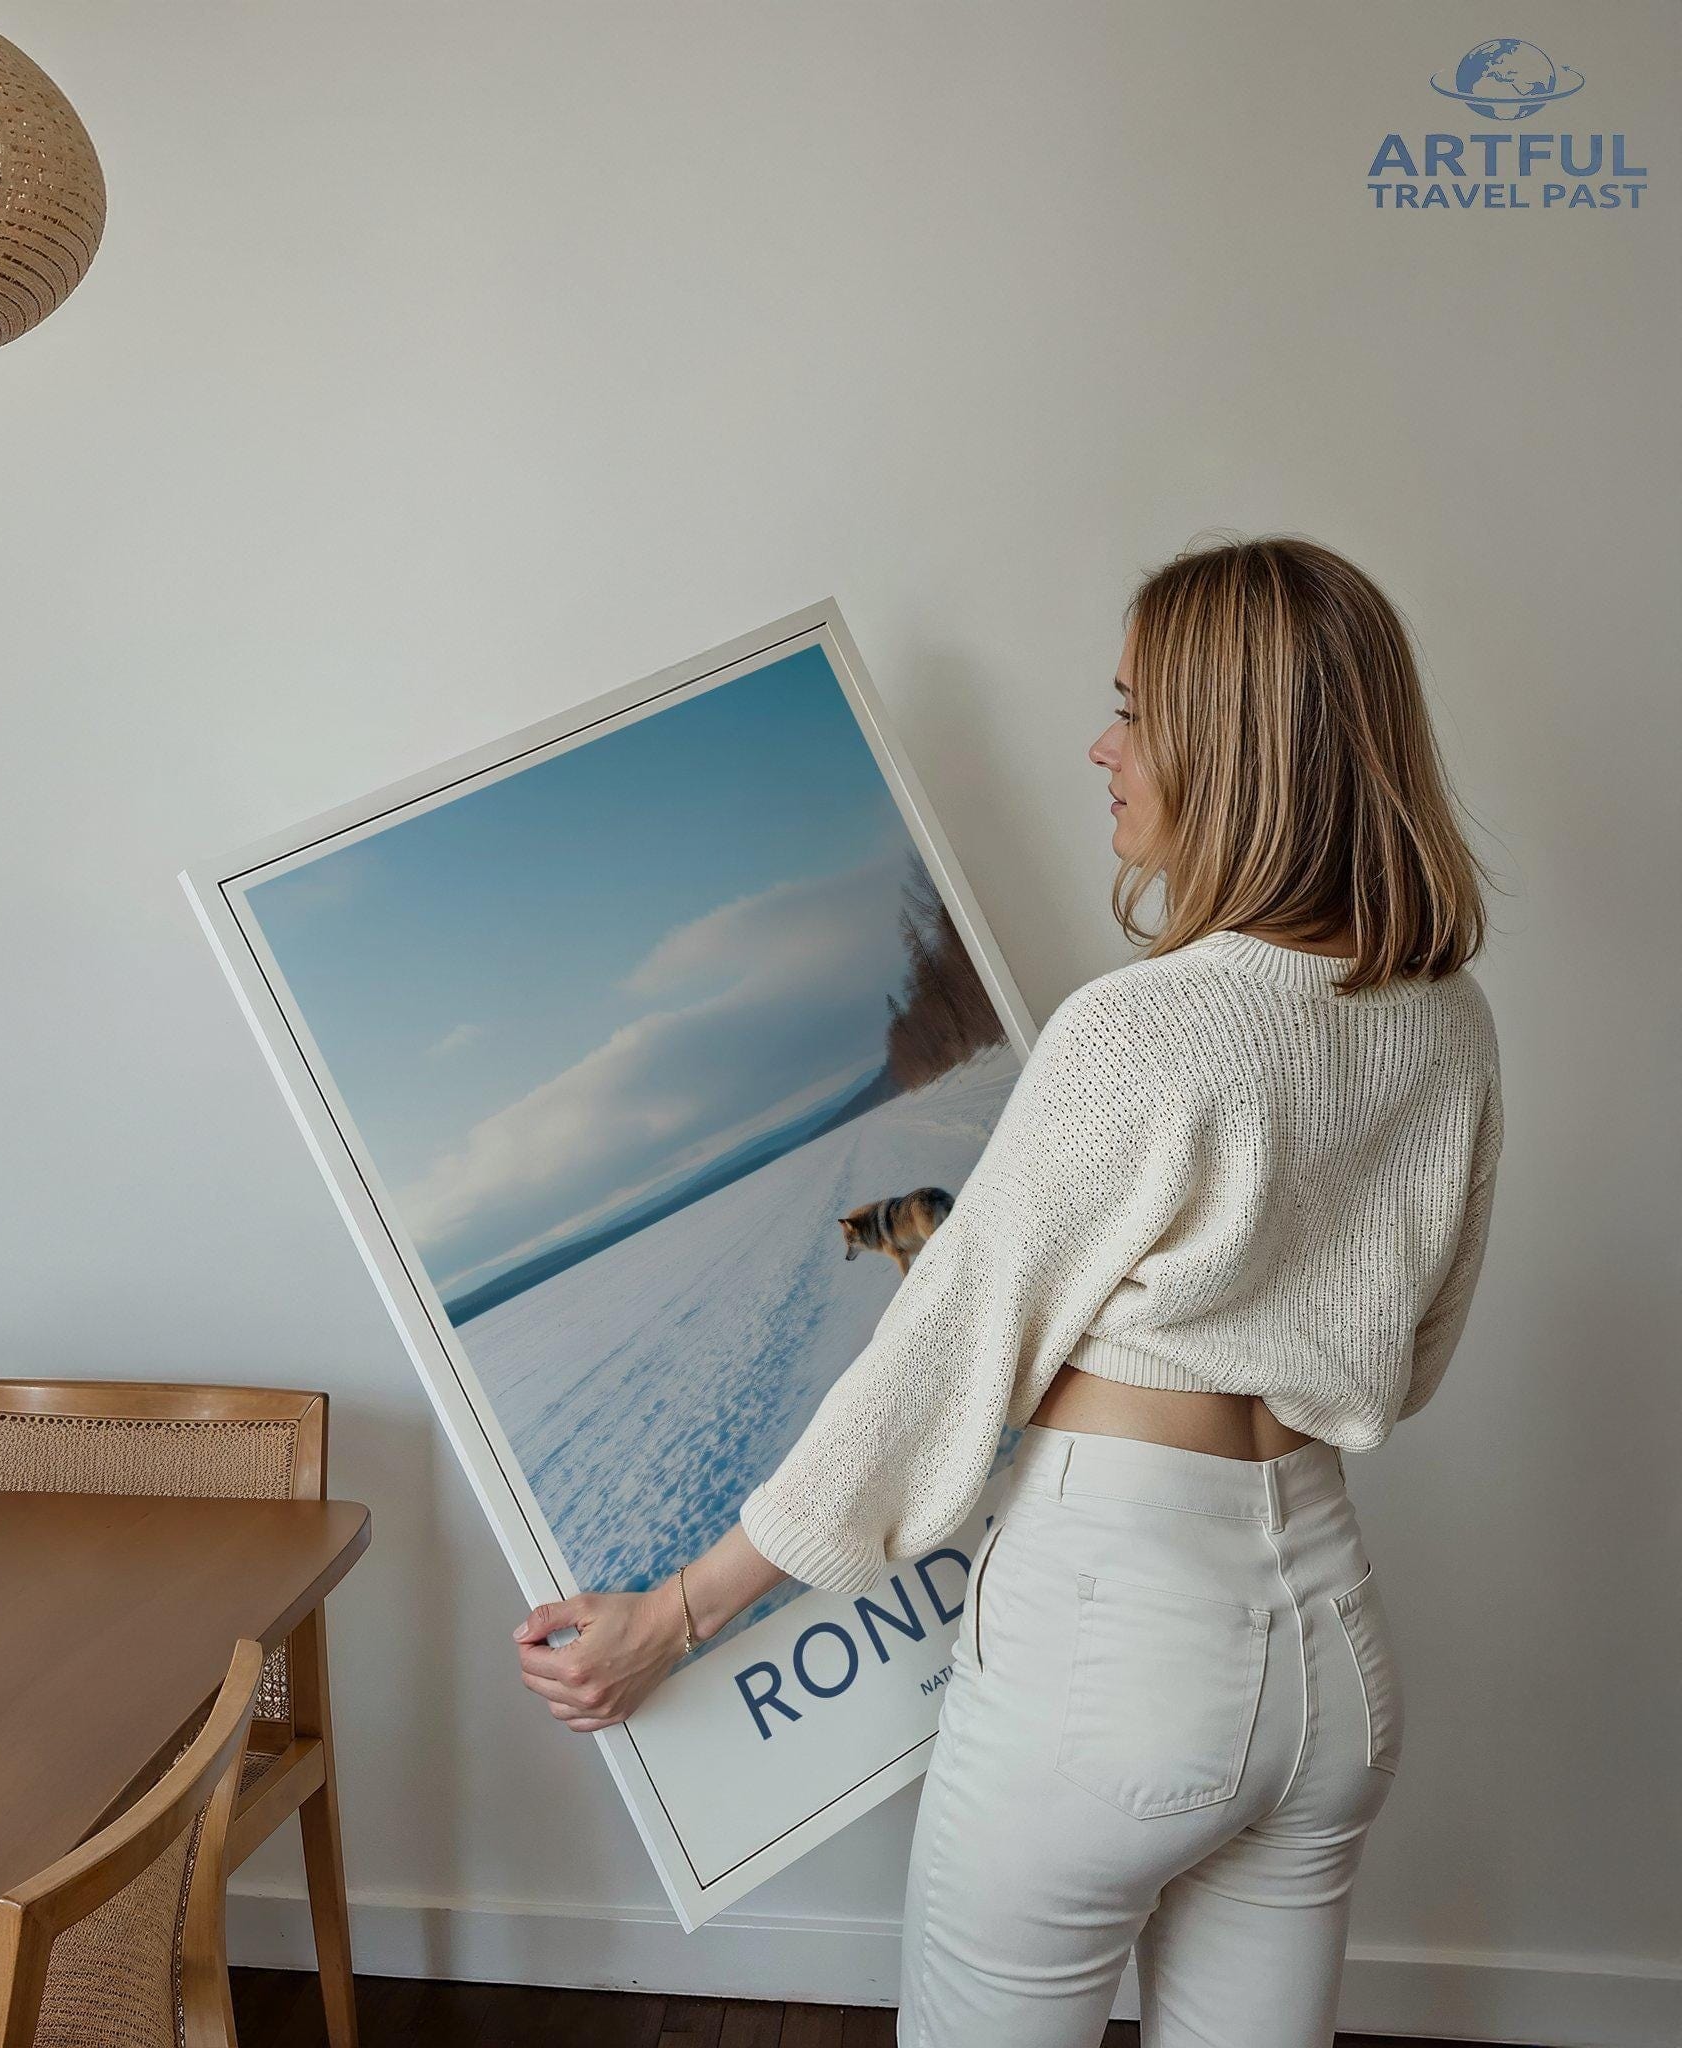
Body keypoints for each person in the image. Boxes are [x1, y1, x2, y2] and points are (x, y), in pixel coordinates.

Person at [512, 535, 1503, 2048]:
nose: (1100, 749)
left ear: (1233, 751)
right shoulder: (1447, 1023)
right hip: (1332, 1650)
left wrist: (680, 1614)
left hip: (1117, 1651)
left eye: (1134, 711)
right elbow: (1406, 1356)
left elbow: (941, 1353)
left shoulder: (1145, 1031)